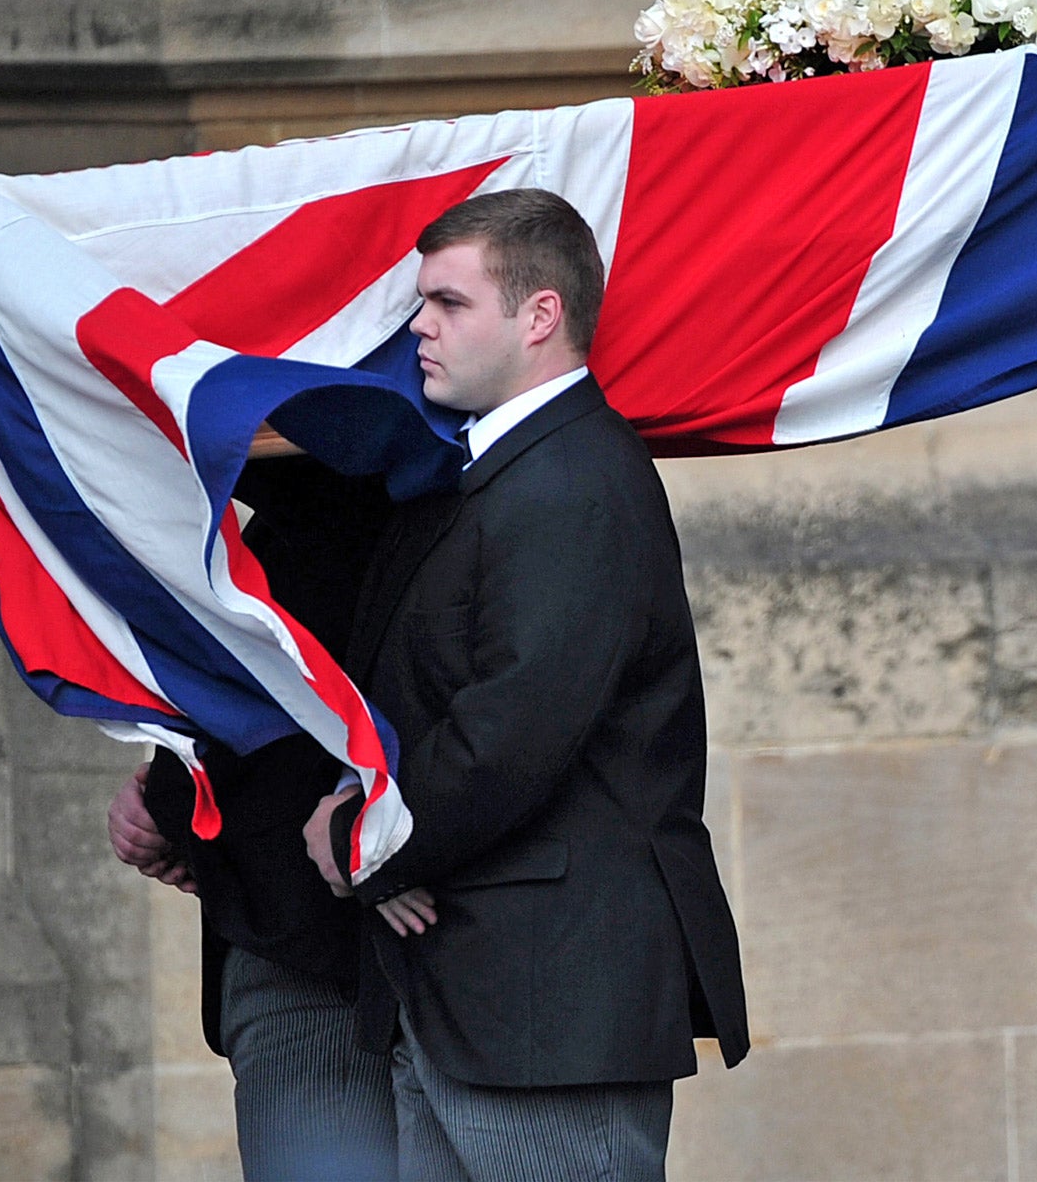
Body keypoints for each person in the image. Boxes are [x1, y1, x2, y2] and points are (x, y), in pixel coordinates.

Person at [302, 187, 749, 1182]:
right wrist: (364, 810)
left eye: (449, 303)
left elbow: (511, 733)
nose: (417, 325)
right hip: (483, 993)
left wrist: (363, 842)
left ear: (539, 315)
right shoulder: (506, 473)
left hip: (547, 997)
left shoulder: (571, 479)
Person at [107, 456, 399, 1180]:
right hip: (313, 952)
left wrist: (174, 809)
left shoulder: (337, 522)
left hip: (322, 955)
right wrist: (166, 798)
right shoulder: (296, 523)